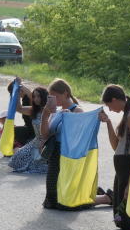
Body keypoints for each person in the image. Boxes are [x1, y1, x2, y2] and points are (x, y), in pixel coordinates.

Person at [40, 78, 112, 210]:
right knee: (52, 199)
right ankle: (97, 194)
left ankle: (105, 198)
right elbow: (45, 135)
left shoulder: (77, 110)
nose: (53, 100)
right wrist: (45, 115)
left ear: (65, 94)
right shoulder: (56, 112)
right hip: (55, 155)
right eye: (51, 97)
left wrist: (71, 121)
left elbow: (81, 138)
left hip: (69, 156)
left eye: (55, 96)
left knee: (67, 202)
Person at [98, 84, 130, 230]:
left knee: (126, 220)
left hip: (128, 165)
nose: (109, 109)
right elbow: (116, 146)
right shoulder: (126, 115)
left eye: (109, 105)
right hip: (121, 167)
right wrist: (108, 122)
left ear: (115, 100)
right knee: (118, 217)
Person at [8, 83, 49, 174]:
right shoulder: (34, 110)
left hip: (48, 143)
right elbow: (19, 109)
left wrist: (21, 85)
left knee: (37, 165)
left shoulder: (52, 110)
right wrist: (18, 95)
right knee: (18, 158)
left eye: (39, 96)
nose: (36, 99)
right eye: (34, 96)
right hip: (35, 141)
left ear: (44, 97)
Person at [7, 80, 34, 147]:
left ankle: (26, 147)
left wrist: (19, 85)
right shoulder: (24, 99)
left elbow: (31, 95)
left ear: (20, 90)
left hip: (35, 131)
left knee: (15, 131)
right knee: (14, 130)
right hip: (30, 128)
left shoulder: (29, 99)